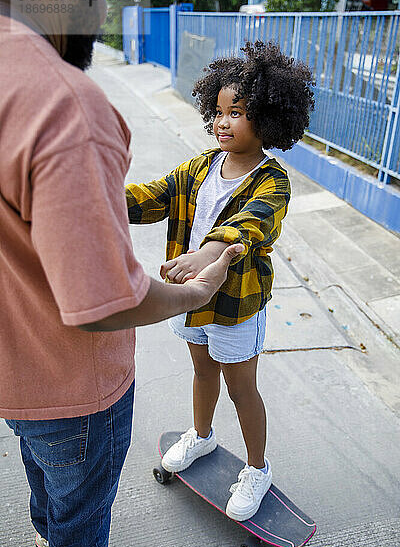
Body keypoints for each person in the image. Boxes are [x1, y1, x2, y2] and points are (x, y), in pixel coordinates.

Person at [0, 0, 243, 547]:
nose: (104, 9)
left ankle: (44, 538)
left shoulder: (267, 180)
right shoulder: (62, 105)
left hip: (13, 375)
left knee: (44, 474)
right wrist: (197, 292)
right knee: (80, 518)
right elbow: (105, 303)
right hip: (75, 388)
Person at [125, 41, 314, 521]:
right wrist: (99, 191)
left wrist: (208, 254)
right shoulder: (200, 166)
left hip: (235, 305)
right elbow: (152, 197)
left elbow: (250, 225)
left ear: (269, 118)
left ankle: (257, 467)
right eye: (219, 111)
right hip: (192, 299)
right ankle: (202, 437)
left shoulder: (272, 180)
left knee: (241, 387)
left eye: (238, 112)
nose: (222, 121)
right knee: (203, 372)